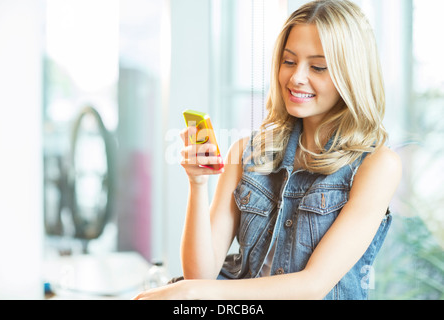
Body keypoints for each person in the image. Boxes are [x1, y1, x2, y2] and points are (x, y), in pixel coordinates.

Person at [133, 0, 402, 300]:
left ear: (351, 76)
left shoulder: (377, 166)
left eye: (317, 67)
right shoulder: (246, 153)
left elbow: (312, 286)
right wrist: (197, 184)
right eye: (289, 61)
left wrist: (193, 292)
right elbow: (201, 273)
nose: (296, 77)